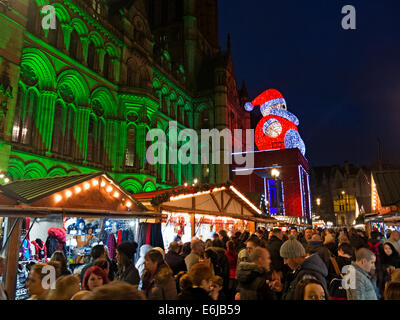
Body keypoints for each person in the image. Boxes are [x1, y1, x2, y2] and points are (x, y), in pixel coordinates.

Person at [279, 235, 328, 300]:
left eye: (286, 258)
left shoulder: (307, 275)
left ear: (295, 257)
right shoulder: (305, 270)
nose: (285, 262)